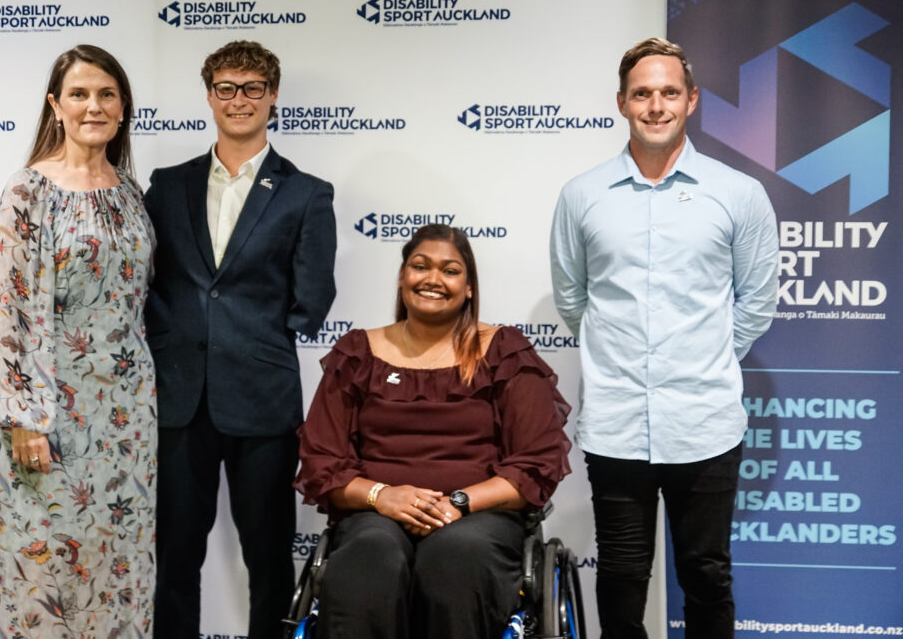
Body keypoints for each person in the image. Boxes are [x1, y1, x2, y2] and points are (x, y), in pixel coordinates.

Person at [550, 37, 779, 638]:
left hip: (705, 422)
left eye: (669, 92)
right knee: (622, 581)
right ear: (622, 102)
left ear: (692, 100)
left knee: (706, 575)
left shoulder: (739, 194)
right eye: (643, 94)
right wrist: (623, 356)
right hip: (618, 424)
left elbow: (756, 301)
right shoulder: (582, 196)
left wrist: (701, 359)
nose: (656, 105)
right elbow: (574, 299)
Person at [295, 223, 572, 639]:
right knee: (372, 553)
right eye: (420, 266)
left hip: (479, 517)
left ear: (470, 286)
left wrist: (458, 502)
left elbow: (535, 464)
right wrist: (382, 495)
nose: (432, 279)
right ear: (403, 276)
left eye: (450, 270)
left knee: (455, 555)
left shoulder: (504, 351)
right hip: (375, 515)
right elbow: (323, 462)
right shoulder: (356, 353)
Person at [145, 40, 337, 639]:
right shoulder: (167, 184)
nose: (239, 100)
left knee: (269, 557)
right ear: (209, 97)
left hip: (262, 399)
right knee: (175, 555)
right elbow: (144, 279)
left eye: (253, 88)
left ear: (273, 97)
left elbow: (314, 299)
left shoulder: (307, 193)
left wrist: (253, 335)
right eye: (226, 88)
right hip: (179, 399)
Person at [0, 44, 156, 637]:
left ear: (124, 106)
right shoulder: (28, 191)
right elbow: (7, 312)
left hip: (128, 417)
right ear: (55, 105)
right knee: (44, 565)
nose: (94, 106)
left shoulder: (131, 192)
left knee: (119, 562)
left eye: (107, 93)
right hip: (52, 411)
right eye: (79, 94)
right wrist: (22, 416)